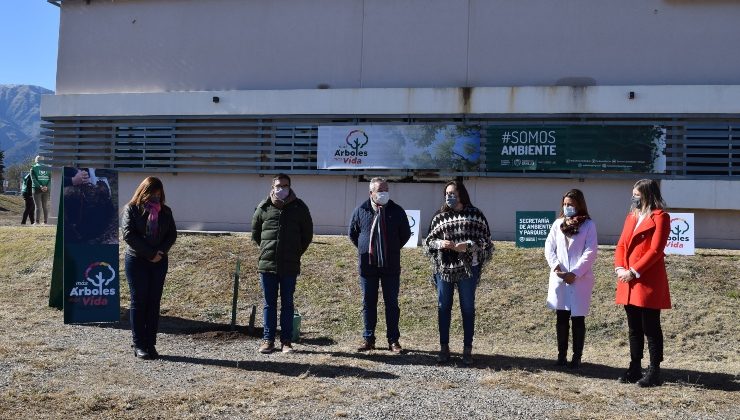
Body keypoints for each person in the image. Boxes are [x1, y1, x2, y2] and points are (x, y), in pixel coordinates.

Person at [424, 180, 493, 365]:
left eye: (453, 193)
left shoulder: (475, 215)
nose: (449, 197)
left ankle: (467, 349)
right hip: (444, 269)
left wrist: (468, 246)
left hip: (468, 269)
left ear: (461, 194)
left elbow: (487, 241)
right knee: (443, 307)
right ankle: (444, 348)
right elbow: (428, 241)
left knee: (468, 308)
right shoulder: (439, 216)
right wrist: (441, 244)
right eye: (447, 193)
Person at [614, 179, 671, 387]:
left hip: (646, 280)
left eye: (637, 194)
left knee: (651, 327)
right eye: (633, 194)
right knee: (634, 327)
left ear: (647, 194)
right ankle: (634, 367)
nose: (633, 198)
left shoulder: (661, 217)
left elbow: (656, 250)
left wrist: (634, 271)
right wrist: (620, 268)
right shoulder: (632, 216)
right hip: (628, 279)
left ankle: (654, 371)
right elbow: (621, 244)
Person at [252, 173, 313, 354]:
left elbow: (307, 235)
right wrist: (266, 251)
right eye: (278, 186)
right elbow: (256, 234)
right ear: (272, 187)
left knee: (288, 303)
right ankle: (268, 340)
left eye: (284, 186)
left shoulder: (299, 208)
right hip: (267, 265)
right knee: (269, 304)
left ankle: (286, 341)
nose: (281, 189)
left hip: (289, 265)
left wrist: (295, 252)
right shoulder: (264, 207)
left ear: (290, 187)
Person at [349, 177, 411, 353]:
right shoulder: (361, 210)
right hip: (368, 266)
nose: (383, 193)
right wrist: (367, 248)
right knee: (369, 302)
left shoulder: (397, 211)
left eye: (386, 189)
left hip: (390, 265)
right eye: (380, 190)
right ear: (371, 193)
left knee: (391, 303)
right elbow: (353, 234)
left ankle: (393, 340)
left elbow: (405, 234)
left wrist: (389, 249)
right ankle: (368, 339)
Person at [122, 177, 177, 360]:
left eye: (158, 193)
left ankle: (150, 343)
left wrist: (160, 252)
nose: (155, 196)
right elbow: (129, 234)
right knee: (139, 302)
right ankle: (139, 344)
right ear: (143, 191)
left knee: (154, 303)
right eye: (152, 192)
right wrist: (149, 254)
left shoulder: (166, 212)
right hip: (137, 260)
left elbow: (171, 235)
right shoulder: (131, 208)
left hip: (159, 262)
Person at [544, 189, 598, 369]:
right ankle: (561, 355)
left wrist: (574, 273)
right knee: (561, 317)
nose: (567, 208)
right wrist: (556, 267)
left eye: (571, 205)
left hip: (579, 278)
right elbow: (549, 247)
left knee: (578, 318)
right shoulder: (558, 223)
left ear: (579, 205)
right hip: (560, 278)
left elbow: (590, 251)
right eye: (565, 204)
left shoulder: (588, 225)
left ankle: (576, 357)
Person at [30, 155, 51, 225]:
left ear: (36, 160)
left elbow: (33, 179)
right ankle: (45, 222)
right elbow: (51, 179)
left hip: (36, 189)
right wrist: (47, 187)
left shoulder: (33, 168)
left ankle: (37, 222)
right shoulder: (48, 168)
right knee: (45, 206)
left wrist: (40, 186)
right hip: (47, 190)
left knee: (38, 206)